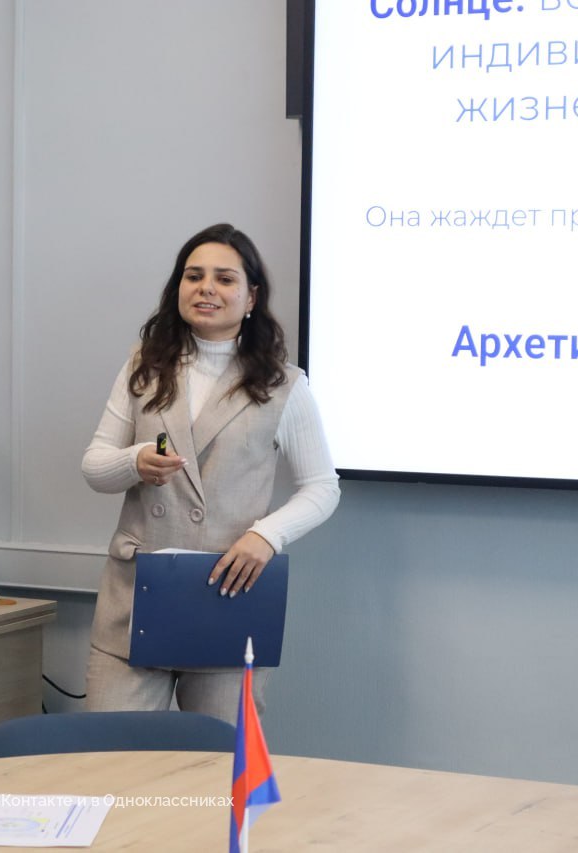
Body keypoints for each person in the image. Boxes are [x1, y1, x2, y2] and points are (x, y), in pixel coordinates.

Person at [81, 223, 340, 724]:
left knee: (218, 763)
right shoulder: (143, 366)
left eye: (224, 278)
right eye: (194, 275)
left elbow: (322, 487)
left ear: (251, 297)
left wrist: (267, 536)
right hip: (134, 598)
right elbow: (94, 467)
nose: (206, 288)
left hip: (228, 595)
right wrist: (135, 461)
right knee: (111, 756)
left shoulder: (282, 384)